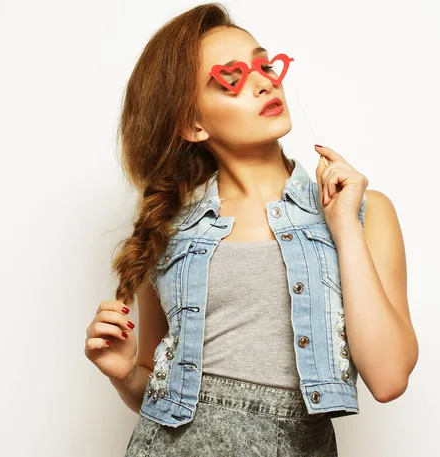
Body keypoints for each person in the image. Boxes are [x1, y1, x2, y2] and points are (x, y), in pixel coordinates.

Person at [84, 3, 418, 456]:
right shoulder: (169, 229)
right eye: (232, 77)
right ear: (193, 124)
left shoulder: (363, 212)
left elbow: (389, 377)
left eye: (264, 65)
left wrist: (344, 229)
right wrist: (126, 373)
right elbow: (162, 394)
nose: (264, 81)